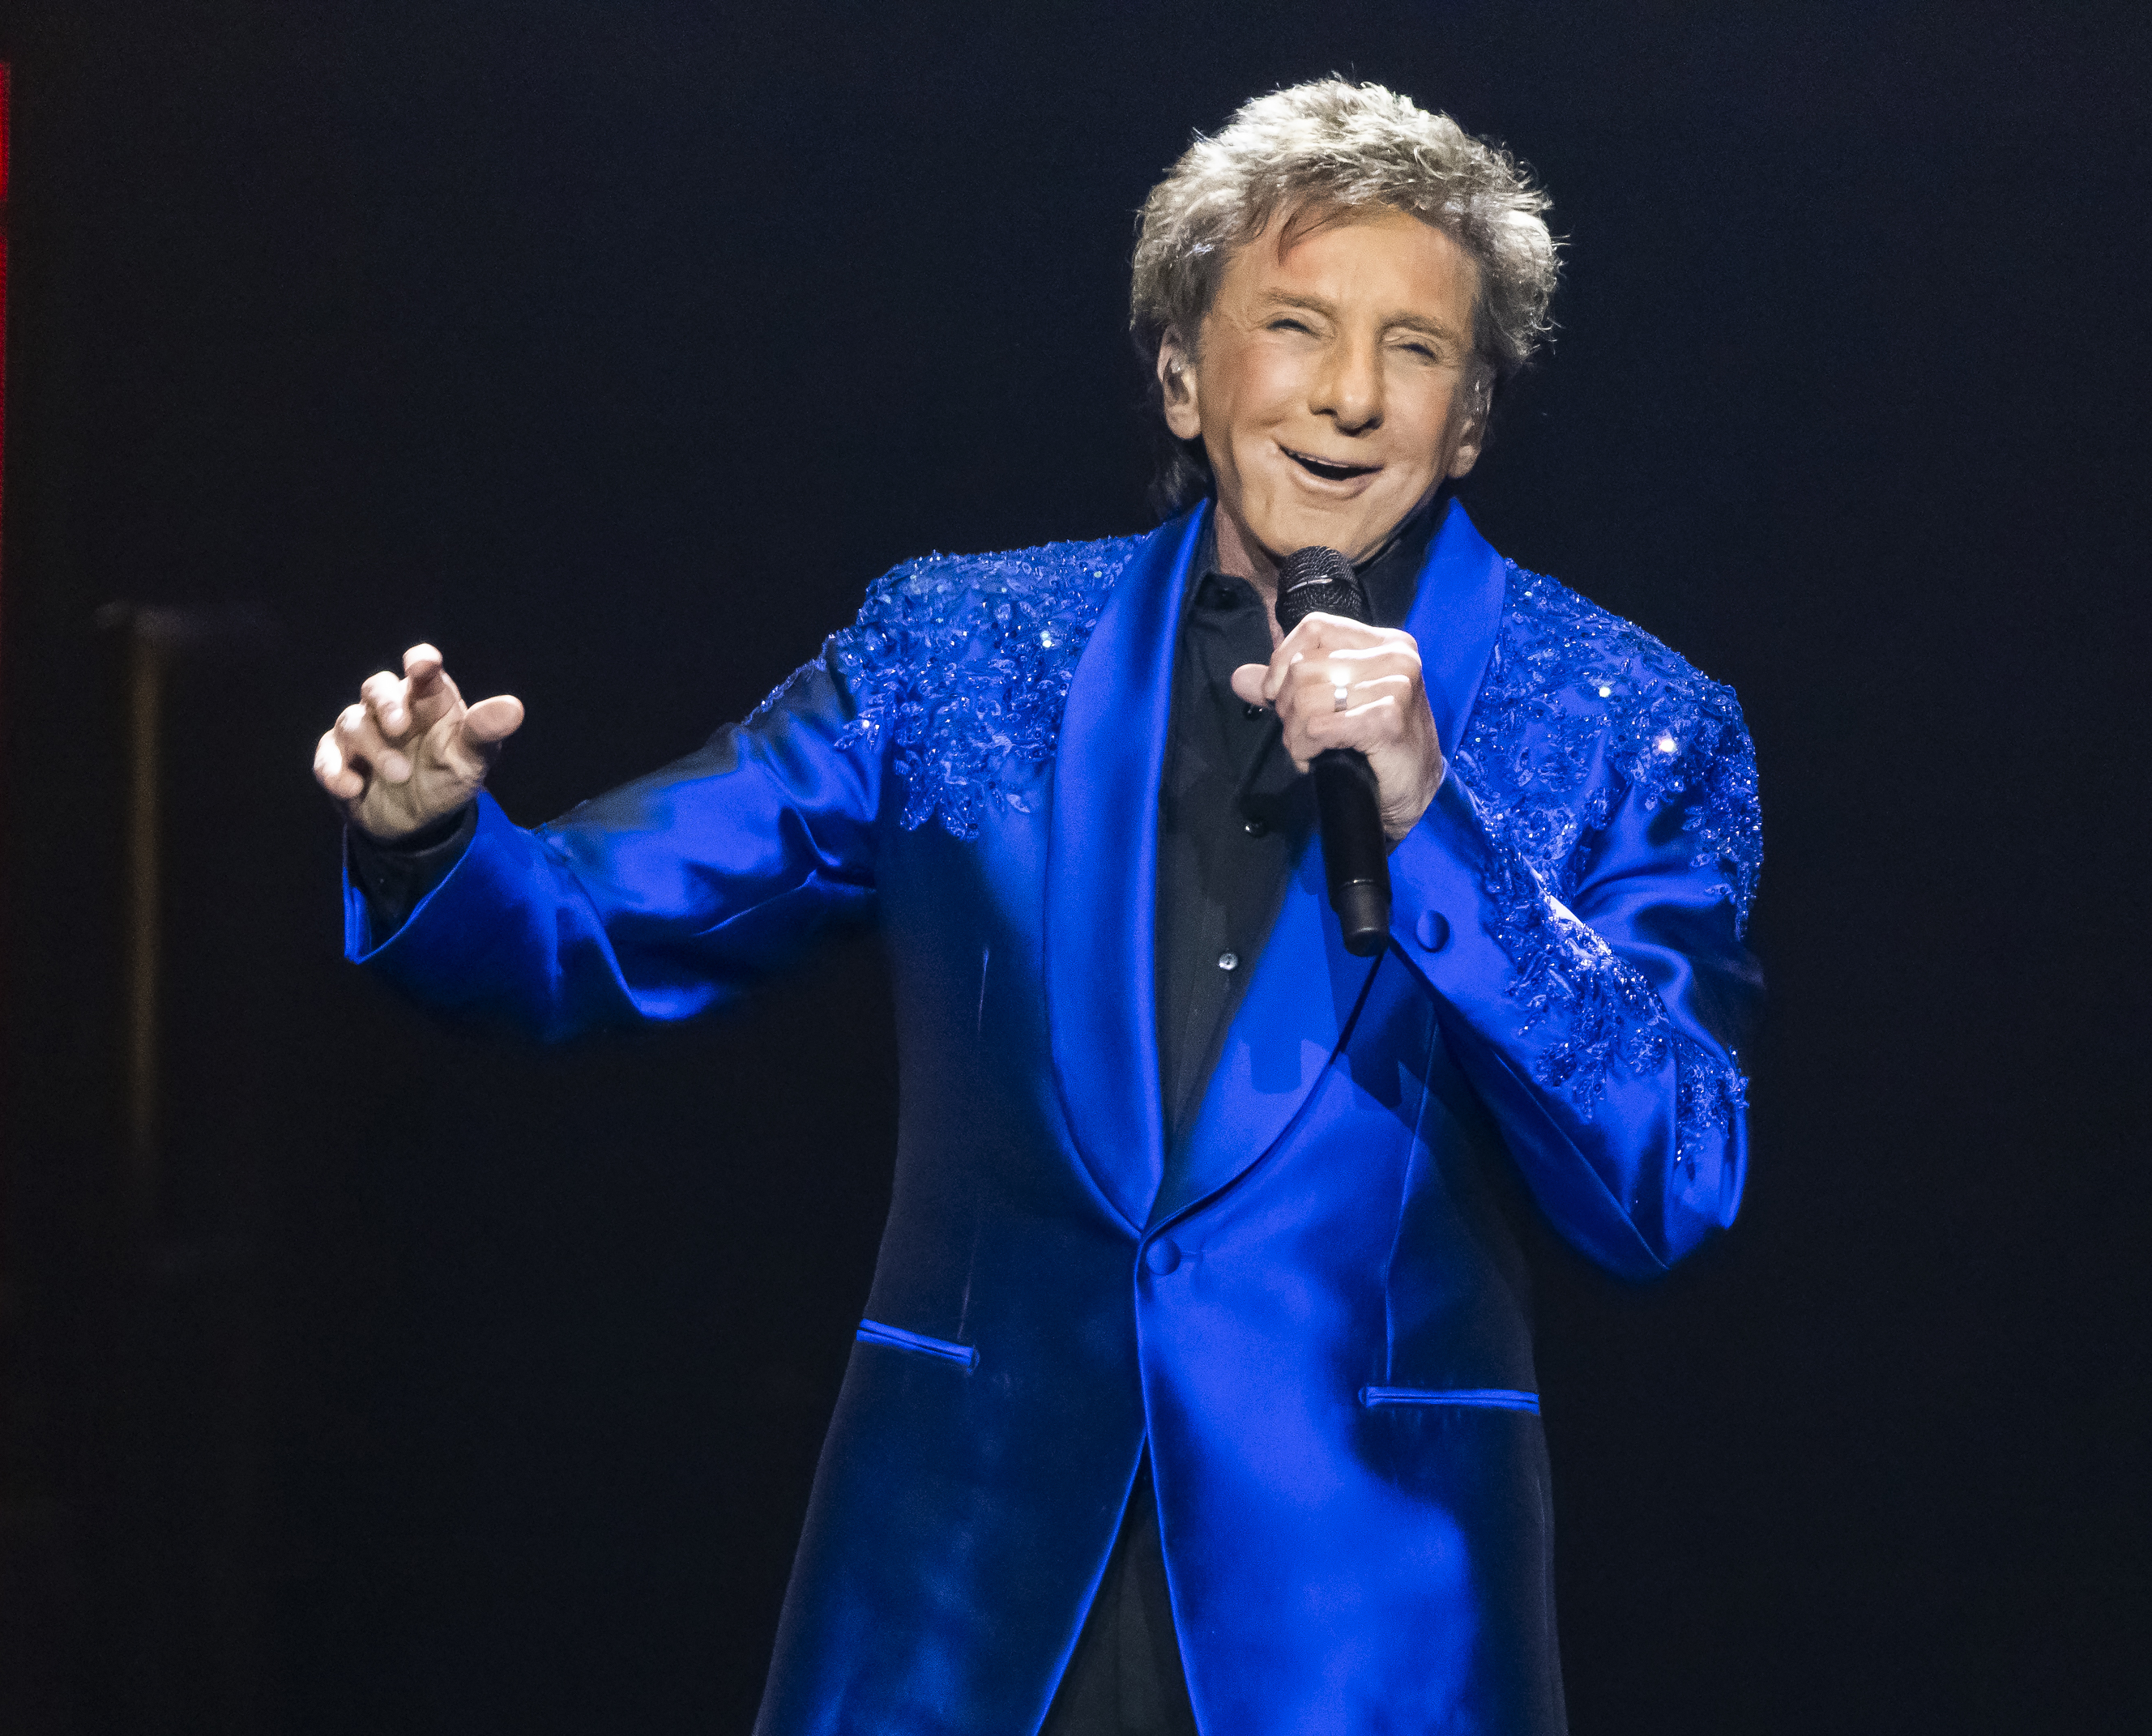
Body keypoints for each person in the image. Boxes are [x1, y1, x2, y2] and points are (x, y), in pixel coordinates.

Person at [313, 79, 1763, 1736]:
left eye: (1416, 349)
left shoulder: (1627, 712)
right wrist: (433, 839)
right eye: (1293, 326)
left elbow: (1676, 1174)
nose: (1351, 396)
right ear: (1178, 372)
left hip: (1366, 1650)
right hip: (958, 1613)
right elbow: (586, 931)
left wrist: (1438, 823)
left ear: (1476, 413)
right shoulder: (961, 649)